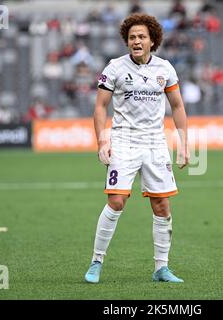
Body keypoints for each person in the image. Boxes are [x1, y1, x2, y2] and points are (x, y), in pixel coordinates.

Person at [84, 13, 189, 284]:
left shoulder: (165, 69)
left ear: (153, 40)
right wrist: (102, 142)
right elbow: (100, 107)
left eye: (142, 36)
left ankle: (161, 268)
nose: (136, 41)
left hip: (155, 143)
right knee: (116, 201)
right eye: (132, 37)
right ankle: (96, 262)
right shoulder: (115, 68)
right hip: (124, 141)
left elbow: (177, 106)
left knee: (162, 205)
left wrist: (184, 144)